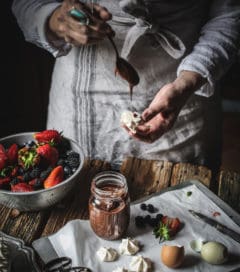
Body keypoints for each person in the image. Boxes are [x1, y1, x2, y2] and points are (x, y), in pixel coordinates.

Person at [12, 0, 240, 170]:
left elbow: (230, 15)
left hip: (183, 90)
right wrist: (53, 19)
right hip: (79, 100)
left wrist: (187, 81)